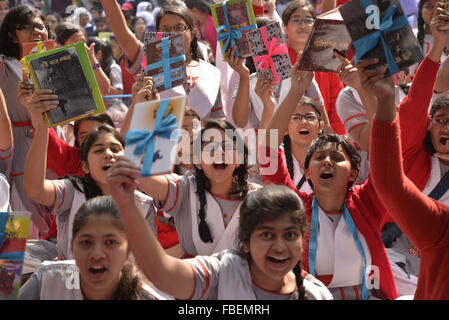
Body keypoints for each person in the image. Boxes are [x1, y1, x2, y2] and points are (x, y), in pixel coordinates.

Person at [259, 57, 397, 300]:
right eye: (320, 156)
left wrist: (360, 88)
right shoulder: (294, 208)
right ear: (308, 171)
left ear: (353, 173)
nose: (327, 162)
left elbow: (385, 146)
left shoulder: (369, 203)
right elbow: (268, 148)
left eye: (337, 157)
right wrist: (296, 90)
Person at [108, 164, 333, 300]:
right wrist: (127, 204)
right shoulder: (222, 273)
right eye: (266, 235)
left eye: (290, 235)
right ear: (245, 240)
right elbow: (163, 272)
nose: (280, 246)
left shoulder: (317, 293)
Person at [21, 89, 156, 261]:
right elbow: (35, 189)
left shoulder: (144, 204)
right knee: (8, 252)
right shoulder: (72, 190)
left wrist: (143, 106)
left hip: (121, 283)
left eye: (115, 149)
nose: (108, 154)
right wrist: (40, 126)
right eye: (97, 149)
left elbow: (149, 262)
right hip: (63, 271)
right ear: (84, 162)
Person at [368, 35, 449, 301]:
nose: (447, 127)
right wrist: (437, 47)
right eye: (440, 120)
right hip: (392, 255)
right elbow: (416, 103)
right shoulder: (415, 157)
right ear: (428, 126)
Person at [115, 110, 259, 257]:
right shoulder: (184, 190)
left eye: (227, 146)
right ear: (198, 161)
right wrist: (145, 108)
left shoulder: (258, 199)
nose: (219, 152)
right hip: (193, 279)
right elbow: (134, 168)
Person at [19, 196, 164, 300]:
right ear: (72, 246)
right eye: (86, 243)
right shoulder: (47, 281)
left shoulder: (146, 296)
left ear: (129, 250)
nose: (97, 254)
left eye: (110, 242)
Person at [101, 0, 226, 120]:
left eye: (179, 28)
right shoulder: (150, 62)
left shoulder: (212, 72)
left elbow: (216, 122)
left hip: (200, 140)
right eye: (165, 29)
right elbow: (120, 30)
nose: (172, 34)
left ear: (192, 33)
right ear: (157, 35)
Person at [0, 5, 53, 235]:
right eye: (27, 27)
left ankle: (50, 266)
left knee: (53, 202)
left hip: (52, 140)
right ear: (12, 34)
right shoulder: (3, 65)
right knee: (17, 214)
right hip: (16, 146)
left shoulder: (58, 62)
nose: (36, 32)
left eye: (40, 26)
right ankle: (13, 268)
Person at [282, 0, 346, 135]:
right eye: (296, 20)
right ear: (284, 27)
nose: (303, 25)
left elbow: (336, 104)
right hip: (285, 136)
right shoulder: (278, 59)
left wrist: (335, 138)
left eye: (308, 20)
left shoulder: (327, 58)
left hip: (322, 138)